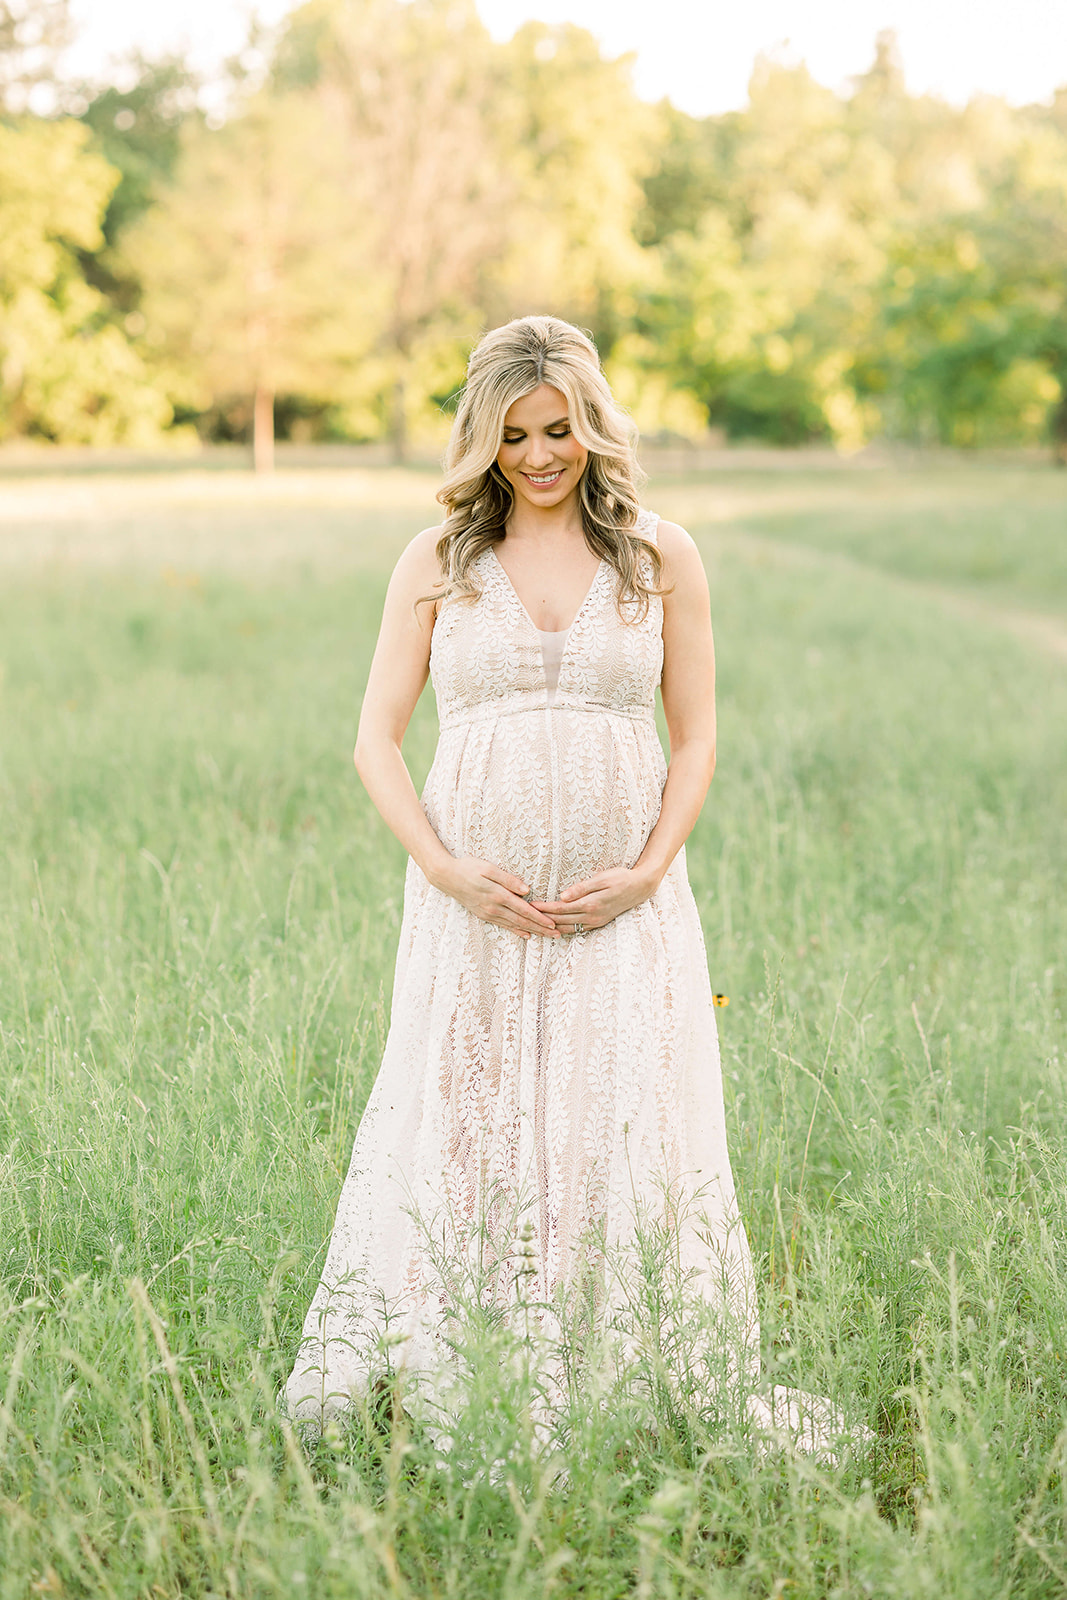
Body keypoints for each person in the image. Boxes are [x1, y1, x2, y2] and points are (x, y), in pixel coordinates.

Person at [284, 316, 850, 1454]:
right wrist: (445, 869)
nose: (539, 455)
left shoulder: (658, 555)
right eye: (512, 436)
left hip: (618, 908)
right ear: (479, 440)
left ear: (593, 425)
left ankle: (613, 1364)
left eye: (559, 430)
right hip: (473, 909)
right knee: (471, 1116)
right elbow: (373, 740)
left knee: (615, 1117)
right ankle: (470, 1355)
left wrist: (644, 872)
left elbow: (692, 739)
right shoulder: (437, 559)